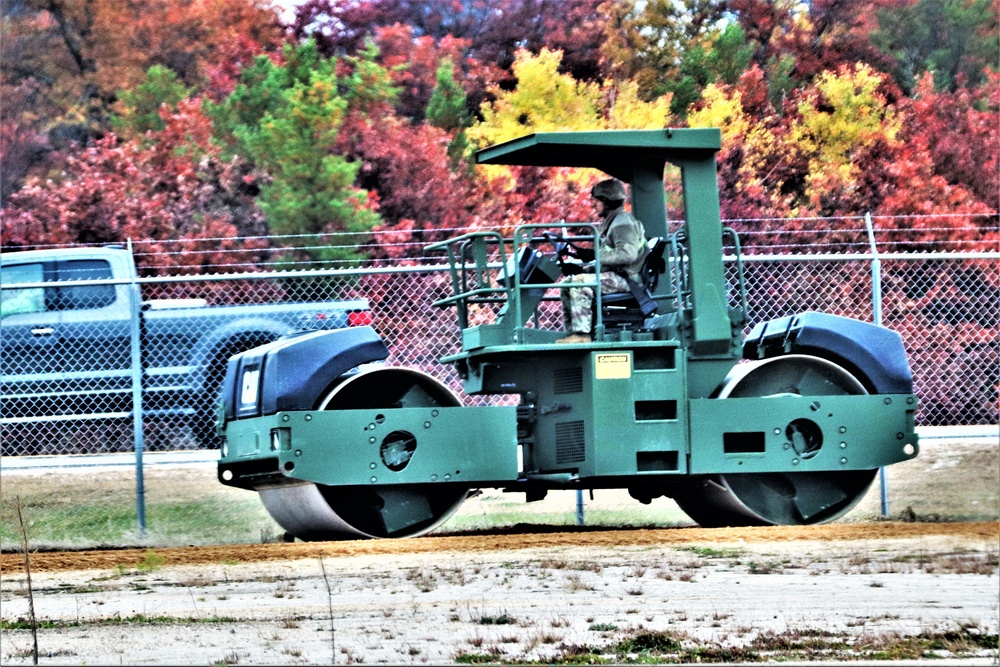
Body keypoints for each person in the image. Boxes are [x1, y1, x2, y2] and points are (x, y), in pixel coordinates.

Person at [556, 178, 648, 344]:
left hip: (628, 280)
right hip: (616, 276)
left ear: (607, 201)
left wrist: (594, 256)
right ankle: (573, 334)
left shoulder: (622, 224)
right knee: (568, 284)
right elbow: (609, 258)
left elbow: (627, 255)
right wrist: (583, 270)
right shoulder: (612, 222)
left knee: (578, 284)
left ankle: (582, 335)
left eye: (596, 201)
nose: (593, 205)